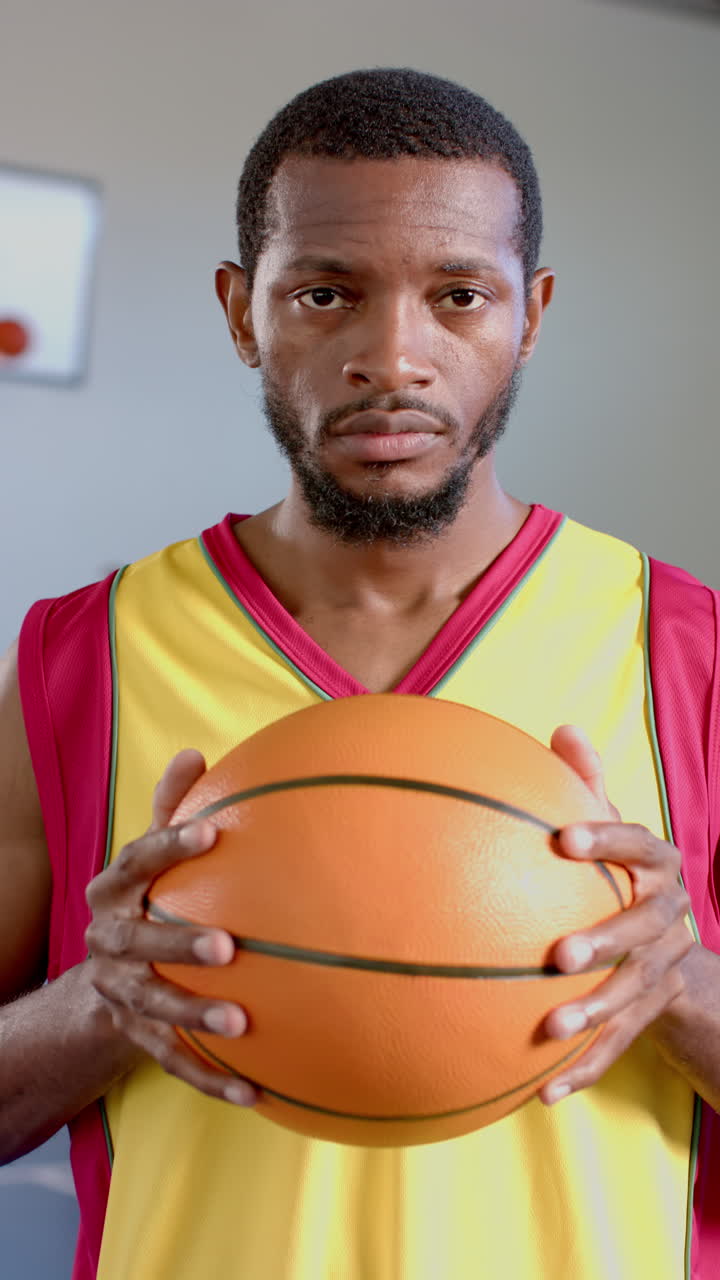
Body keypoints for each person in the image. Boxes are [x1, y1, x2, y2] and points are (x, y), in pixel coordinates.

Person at [0, 66, 718, 1280]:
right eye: (327, 293)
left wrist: (680, 983)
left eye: (459, 296)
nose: (396, 357)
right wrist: (100, 1001)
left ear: (529, 313)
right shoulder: (78, 657)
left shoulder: (688, 649)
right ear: (243, 312)